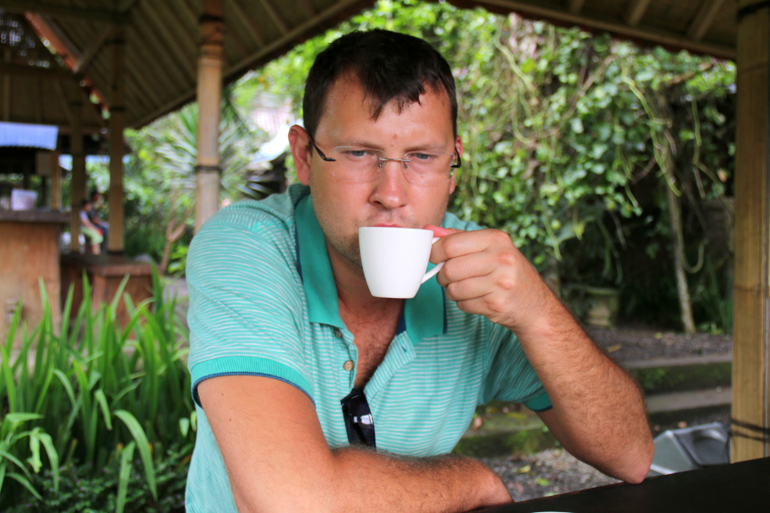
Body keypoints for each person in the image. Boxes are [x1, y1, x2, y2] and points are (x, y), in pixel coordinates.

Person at [185, 29, 653, 513]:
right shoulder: (247, 246)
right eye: (359, 153)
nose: (391, 193)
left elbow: (631, 456)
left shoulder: (475, 271)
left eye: (422, 157)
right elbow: (286, 500)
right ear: (304, 156)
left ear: (452, 167)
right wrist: (472, 481)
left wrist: (539, 314)